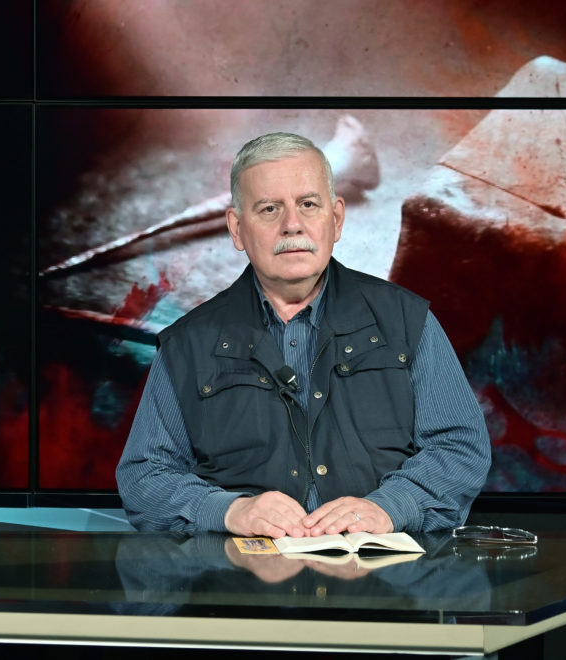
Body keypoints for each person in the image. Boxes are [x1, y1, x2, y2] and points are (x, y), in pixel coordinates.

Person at [116, 133, 490, 538]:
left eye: (308, 205)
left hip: (382, 572)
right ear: (237, 229)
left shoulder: (406, 321)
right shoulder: (187, 343)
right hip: (238, 574)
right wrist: (229, 511)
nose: (292, 225)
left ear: (337, 219)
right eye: (269, 209)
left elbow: (460, 447)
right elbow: (144, 477)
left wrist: (390, 507)